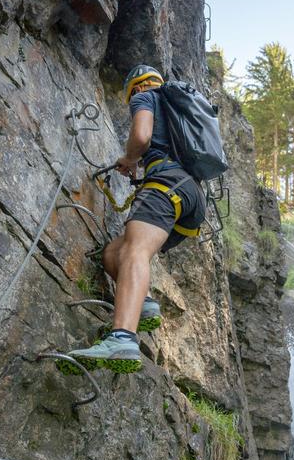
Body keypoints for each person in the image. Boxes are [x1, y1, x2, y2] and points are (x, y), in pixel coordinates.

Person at [68, 65, 206, 373]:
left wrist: (130, 159)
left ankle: (122, 338)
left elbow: (142, 135)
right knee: (114, 253)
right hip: (192, 197)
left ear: (137, 88)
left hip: (166, 185)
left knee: (135, 251)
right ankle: (142, 303)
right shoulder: (178, 110)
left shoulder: (146, 96)